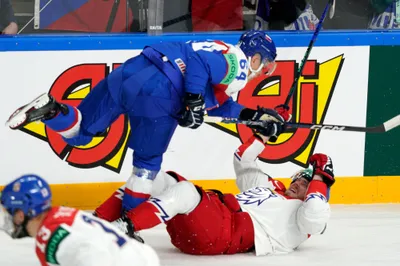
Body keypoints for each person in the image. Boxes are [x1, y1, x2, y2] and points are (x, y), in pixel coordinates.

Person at [6, 30, 289, 218]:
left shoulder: (223, 50)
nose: (264, 71)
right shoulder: (238, 65)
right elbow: (200, 66)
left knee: (79, 132)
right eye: (267, 65)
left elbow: (214, 99)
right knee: (146, 167)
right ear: (255, 57)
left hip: (134, 71)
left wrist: (254, 116)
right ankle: (126, 225)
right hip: (158, 94)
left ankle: (51, 109)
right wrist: (190, 99)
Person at [110, 120, 334, 256]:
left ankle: (124, 228)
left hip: (221, 236)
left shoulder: (303, 220)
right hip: (207, 221)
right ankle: (99, 222)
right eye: (298, 179)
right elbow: (243, 159)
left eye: (306, 184)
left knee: (187, 191)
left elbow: (315, 210)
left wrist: (321, 176)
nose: (298, 184)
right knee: (155, 178)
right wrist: (266, 133)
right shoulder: (270, 188)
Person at [0, 174, 159, 266]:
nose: (8, 220)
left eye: (9, 213)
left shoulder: (51, 235)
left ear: (21, 214)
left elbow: (93, 258)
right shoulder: (61, 213)